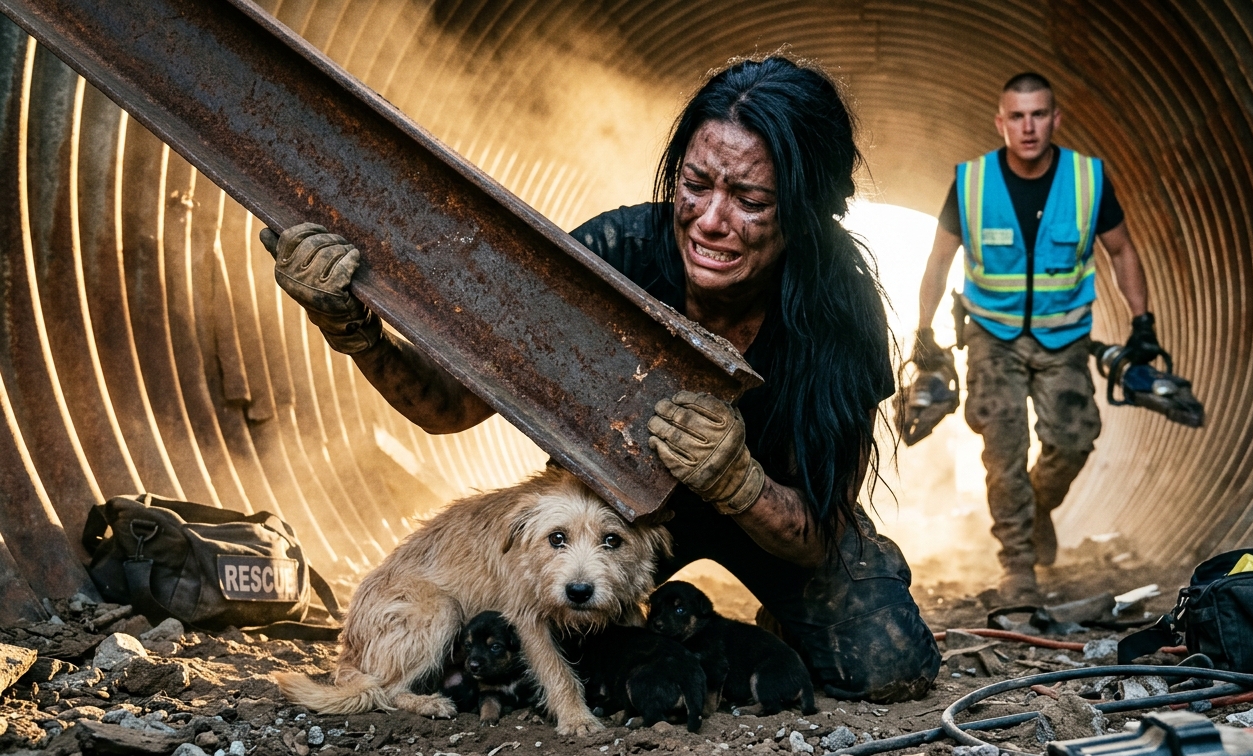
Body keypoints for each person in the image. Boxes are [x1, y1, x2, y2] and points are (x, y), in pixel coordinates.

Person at [265, 56, 942, 703]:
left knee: (886, 664)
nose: (711, 220)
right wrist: (354, 329)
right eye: (696, 184)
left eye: (750, 199)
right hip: (611, 521)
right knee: (499, 664)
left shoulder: (840, 306)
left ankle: (782, 622)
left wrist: (737, 480)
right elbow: (449, 405)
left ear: (804, 207)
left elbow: (821, 528)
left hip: (772, 523)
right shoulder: (609, 259)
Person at [905, 72, 1161, 604]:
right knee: (1004, 450)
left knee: (1073, 439)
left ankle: (1038, 504)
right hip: (992, 337)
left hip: (1062, 337)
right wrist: (924, 331)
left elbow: (1123, 250)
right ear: (1000, 122)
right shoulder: (972, 182)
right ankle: (1018, 566)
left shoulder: (1087, 179)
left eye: (1038, 115)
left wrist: (1142, 323)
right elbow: (938, 259)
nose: (1028, 127)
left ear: (1055, 120)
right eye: (1017, 117)